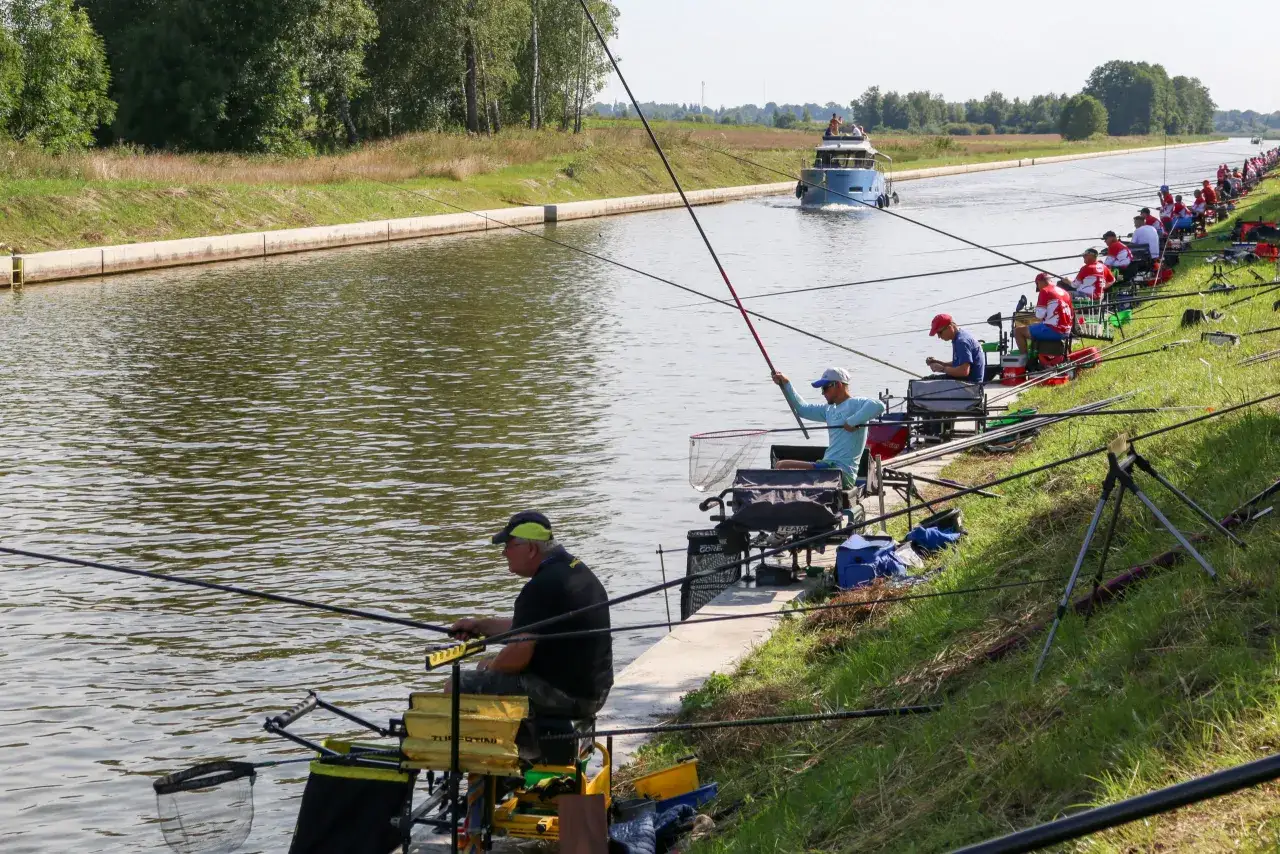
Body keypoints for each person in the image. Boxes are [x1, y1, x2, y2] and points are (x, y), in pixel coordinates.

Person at [447, 511, 613, 718]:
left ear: (531, 549)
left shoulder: (539, 587)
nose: (504, 553)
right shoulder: (572, 569)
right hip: (595, 689)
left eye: (508, 546)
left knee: (458, 685)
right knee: (487, 666)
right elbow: (530, 627)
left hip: (568, 697)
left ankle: (466, 748)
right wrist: (479, 626)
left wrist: (491, 667)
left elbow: (517, 654)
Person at [770, 367, 886, 488]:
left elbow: (878, 405)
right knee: (781, 466)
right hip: (827, 467)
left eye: (825, 388)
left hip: (842, 473)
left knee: (781, 466)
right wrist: (786, 383)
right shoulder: (828, 410)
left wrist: (852, 421)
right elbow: (802, 409)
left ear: (839, 385)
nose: (823, 393)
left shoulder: (855, 403)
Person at [1015, 273, 1074, 353]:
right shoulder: (1065, 293)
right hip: (1067, 331)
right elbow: (1072, 314)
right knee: (1036, 326)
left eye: (1037, 285)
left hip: (1055, 331)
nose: (1038, 288)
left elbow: (1039, 315)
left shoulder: (1045, 291)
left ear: (1039, 282)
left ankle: (1025, 361)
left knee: (1018, 331)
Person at [926, 313, 985, 383]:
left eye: (939, 332)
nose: (939, 336)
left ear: (950, 327)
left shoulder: (962, 342)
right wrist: (940, 363)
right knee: (927, 380)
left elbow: (964, 371)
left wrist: (942, 369)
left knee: (926, 383)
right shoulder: (959, 337)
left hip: (970, 386)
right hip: (966, 382)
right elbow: (959, 363)